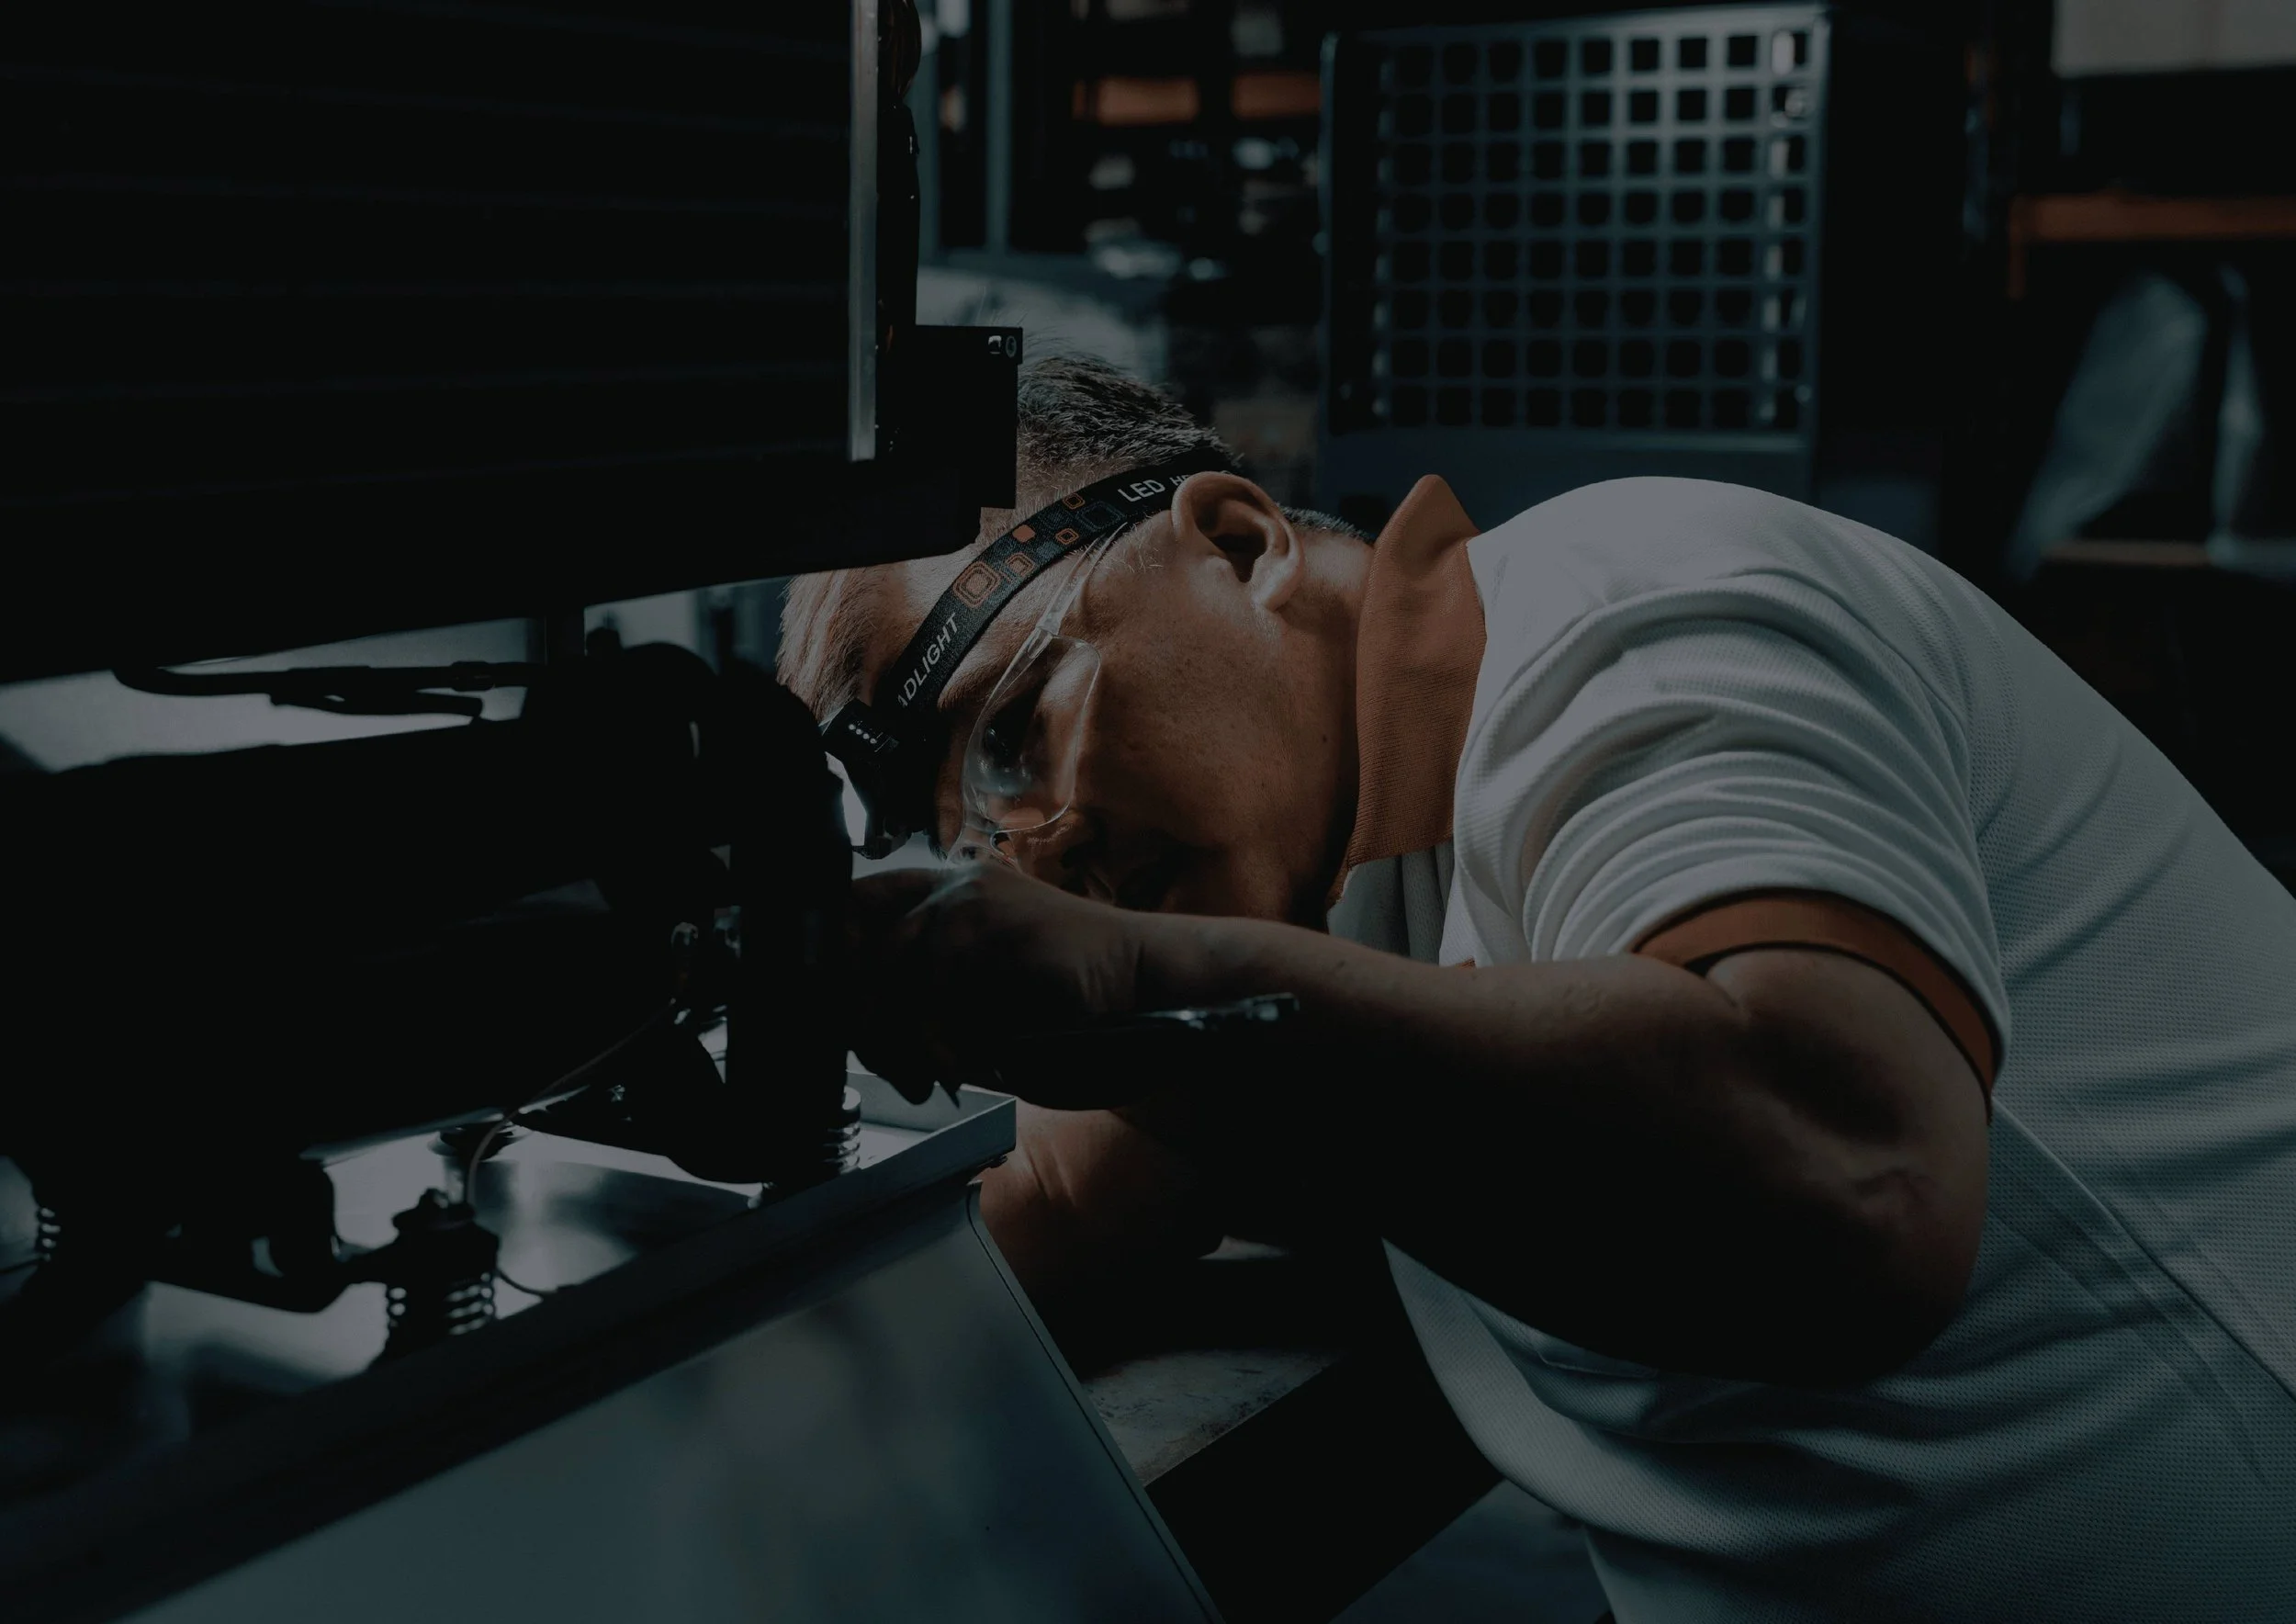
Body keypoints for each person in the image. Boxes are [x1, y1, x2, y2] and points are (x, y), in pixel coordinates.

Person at [779, 356, 2296, 1621]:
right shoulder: (1296, 869)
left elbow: (1858, 1181)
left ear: (1239, 543)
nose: (1040, 857)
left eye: (1015, 737)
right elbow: (1069, 1201)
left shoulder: (1636, 609)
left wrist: (1141, 979)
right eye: (977, 845)